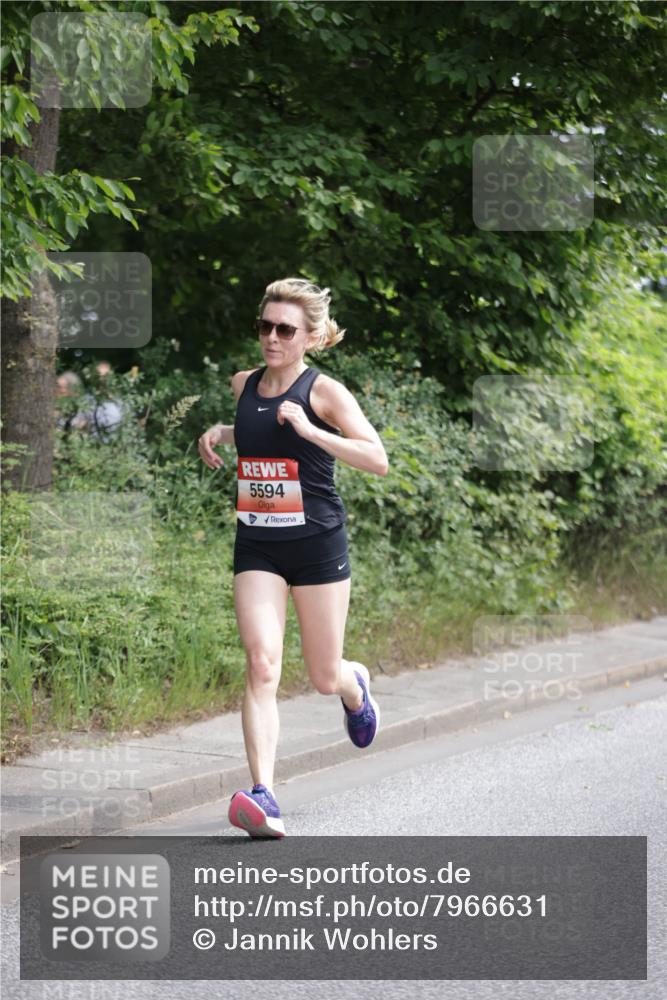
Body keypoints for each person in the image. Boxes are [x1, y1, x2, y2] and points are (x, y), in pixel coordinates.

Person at [198, 278, 389, 838]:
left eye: (285, 329)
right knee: (261, 664)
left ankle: (355, 685)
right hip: (257, 542)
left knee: (324, 675)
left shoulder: (324, 392)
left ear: (309, 337)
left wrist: (311, 429)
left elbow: (376, 458)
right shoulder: (244, 384)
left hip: (316, 545)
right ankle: (265, 796)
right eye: (266, 326)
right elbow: (259, 429)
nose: (272, 337)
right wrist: (224, 431)